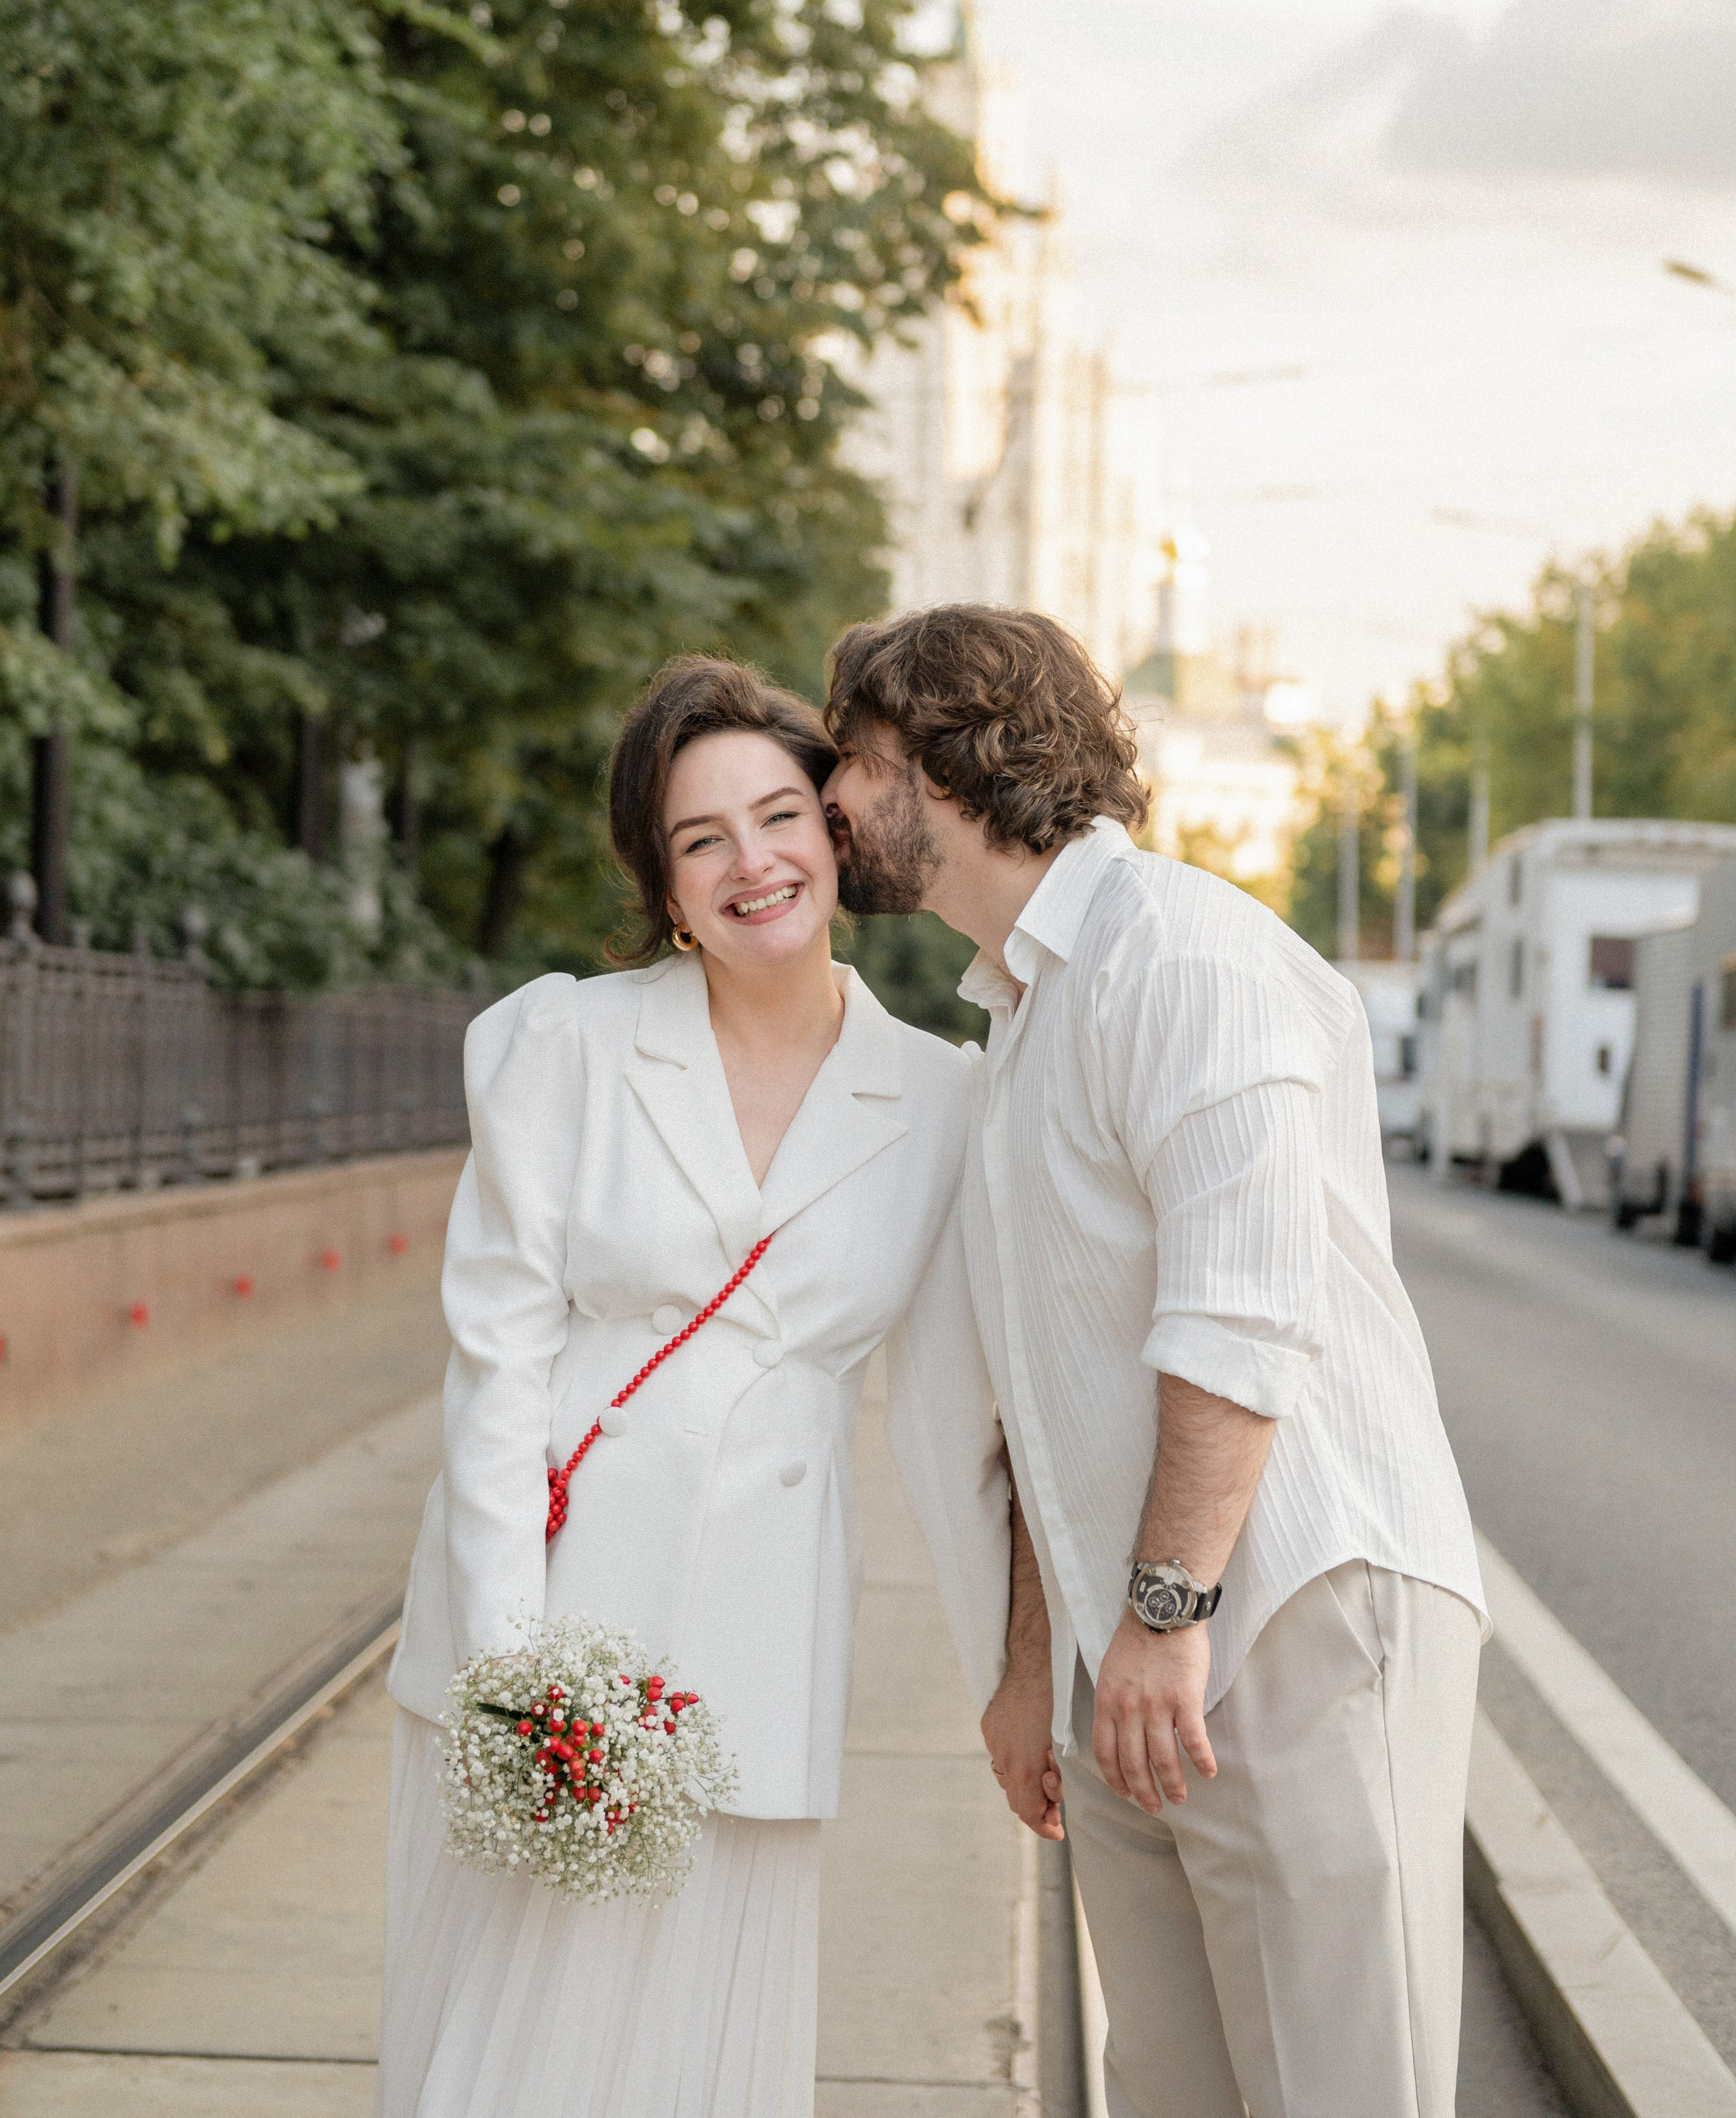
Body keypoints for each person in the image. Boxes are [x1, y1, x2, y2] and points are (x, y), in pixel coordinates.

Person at [821, 603, 1489, 2118]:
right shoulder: (1022, 1010)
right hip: (1133, 1652)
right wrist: (1033, 1674)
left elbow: (1238, 1315)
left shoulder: (1182, 956)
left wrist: (1163, 1618)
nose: (831, 797)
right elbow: (1049, 1392)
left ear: (945, 758)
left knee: (1341, 2091)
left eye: (851, 757)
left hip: (1292, 1614)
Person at [378, 654, 1009, 2118]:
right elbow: (496, 1362)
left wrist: (1014, 1681)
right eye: (700, 839)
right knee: (508, 2068)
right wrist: (517, 1684)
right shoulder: (567, 1045)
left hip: (756, 1640)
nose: (752, 864)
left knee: (696, 2070)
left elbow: (957, 1418)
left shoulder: (943, 1098)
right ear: (664, 886)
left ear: (833, 833)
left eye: (779, 817)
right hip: (546, 1621)